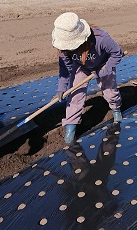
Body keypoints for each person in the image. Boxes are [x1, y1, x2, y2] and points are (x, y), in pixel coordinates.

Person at [52, 12, 124, 145]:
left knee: (110, 91)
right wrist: (61, 87)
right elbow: (65, 68)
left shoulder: (101, 38)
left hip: (103, 65)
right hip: (81, 67)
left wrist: (103, 71)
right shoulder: (64, 49)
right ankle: (70, 128)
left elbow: (117, 53)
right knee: (75, 95)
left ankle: (116, 110)